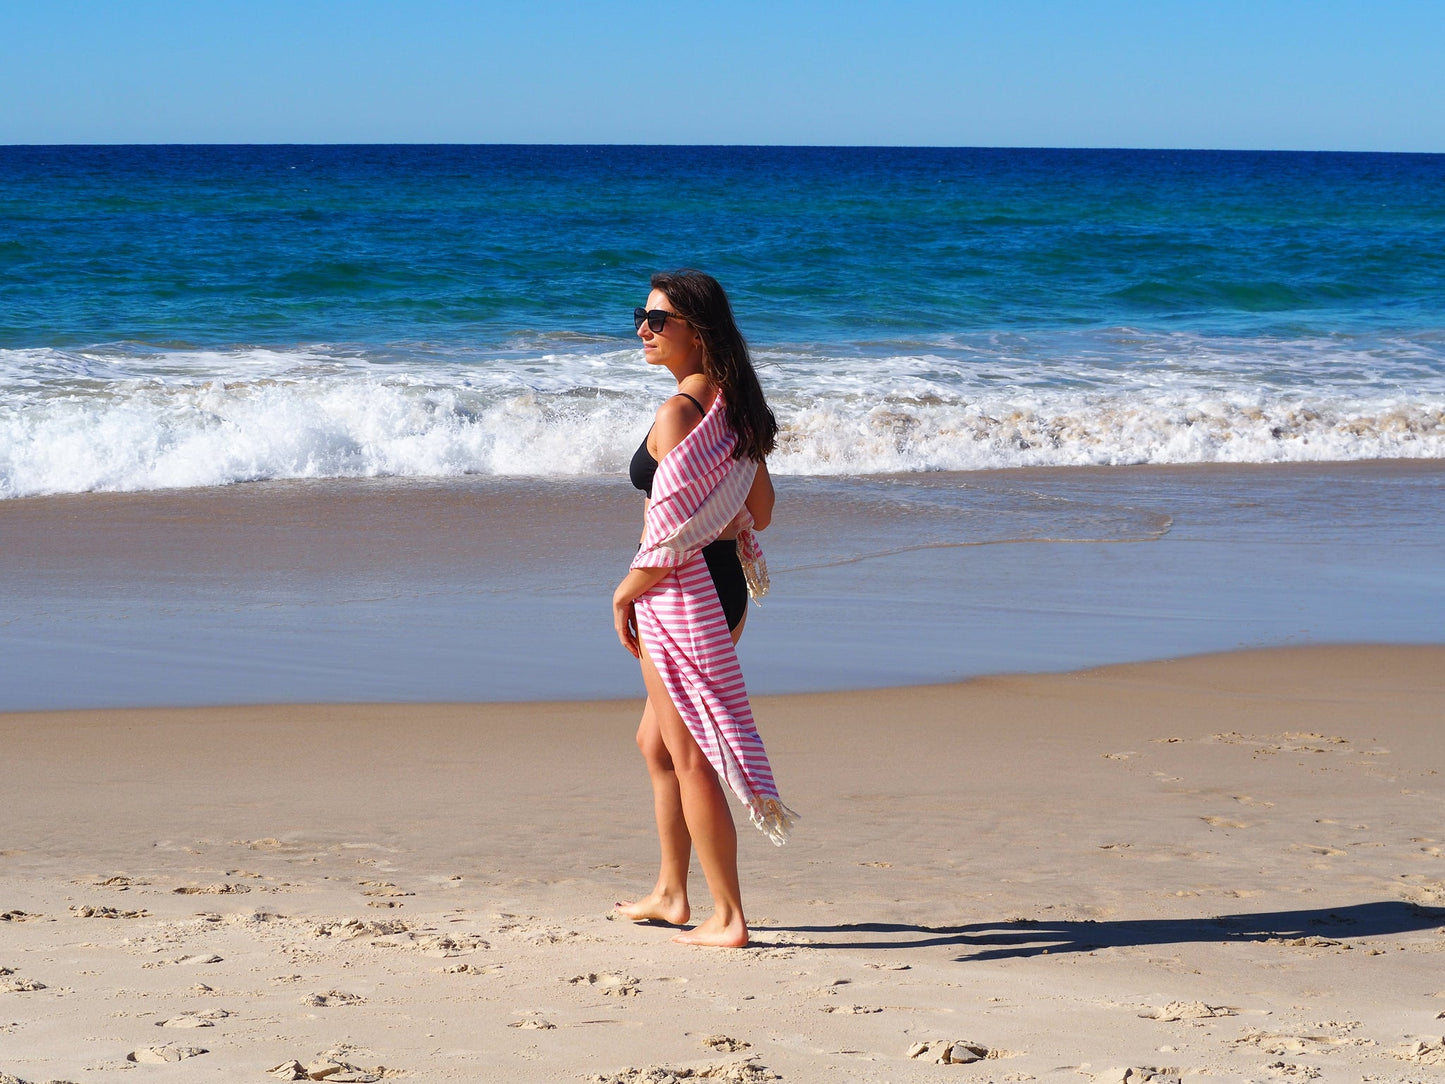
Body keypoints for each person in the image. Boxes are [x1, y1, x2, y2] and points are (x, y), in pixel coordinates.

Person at [611, 270, 795, 948]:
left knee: (687, 751)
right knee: (654, 741)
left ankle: (728, 916)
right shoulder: (734, 410)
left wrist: (625, 590)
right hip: (722, 587)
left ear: (697, 331)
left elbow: (671, 534)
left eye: (657, 321)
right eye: (642, 316)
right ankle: (668, 892)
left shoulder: (680, 414)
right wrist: (716, 522)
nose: (642, 330)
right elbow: (762, 514)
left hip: (677, 590)